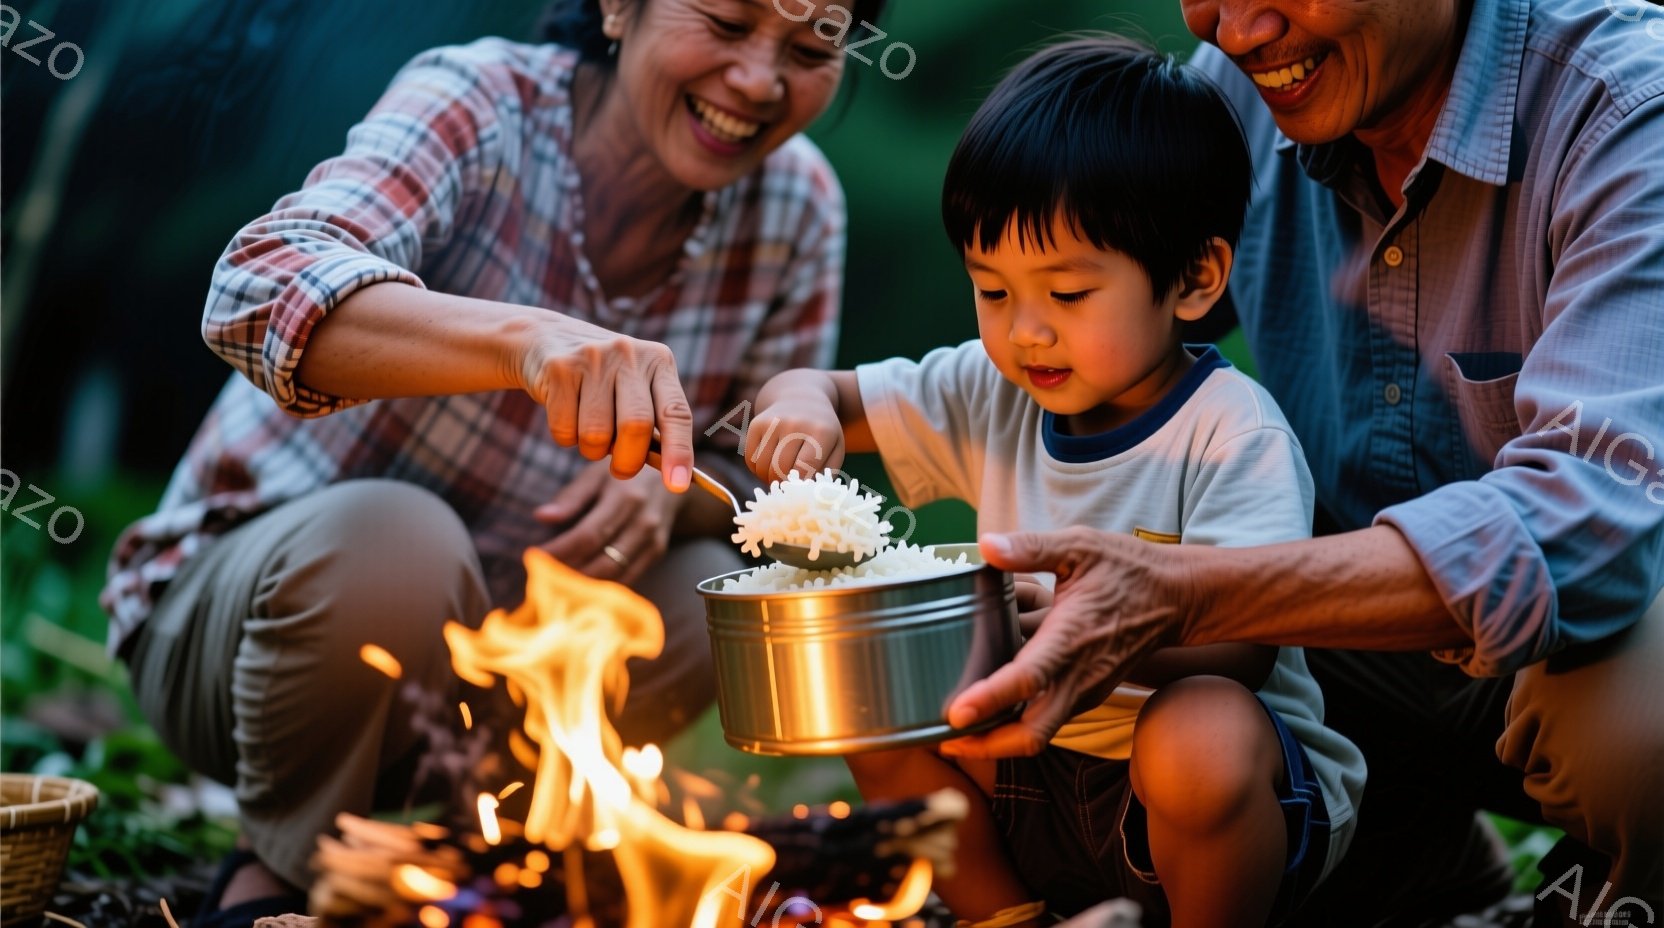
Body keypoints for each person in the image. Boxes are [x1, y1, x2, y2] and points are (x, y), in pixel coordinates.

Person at [98, 0, 886, 922]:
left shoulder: (798, 204)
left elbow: (759, 481)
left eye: (808, 48)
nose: (759, 81)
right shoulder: (479, 103)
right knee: (398, 541)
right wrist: (525, 343)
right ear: (617, 8)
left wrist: (670, 500)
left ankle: (493, 857)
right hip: (243, 642)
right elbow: (254, 287)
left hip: (493, 682)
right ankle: (284, 870)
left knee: (716, 592)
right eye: (722, 22)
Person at [938, 0, 1664, 923]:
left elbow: (1593, 522)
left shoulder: (1628, 108)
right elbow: (1114, 324)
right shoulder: (1242, 95)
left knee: (1638, 734)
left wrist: (1191, 592)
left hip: (1589, 644)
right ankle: (1428, 876)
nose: (1234, 31)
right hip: (1352, 661)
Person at [740, 37, 1365, 928]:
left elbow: (1248, 638)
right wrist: (798, 407)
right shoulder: (988, 390)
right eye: (992, 292)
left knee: (1200, 727)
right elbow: (832, 394)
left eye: (1067, 295)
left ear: (1193, 279)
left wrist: (1082, 632)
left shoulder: (1231, 430)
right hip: (1026, 778)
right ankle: (1012, 918)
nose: (1026, 333)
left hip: (1197, 802)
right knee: (869, 694)